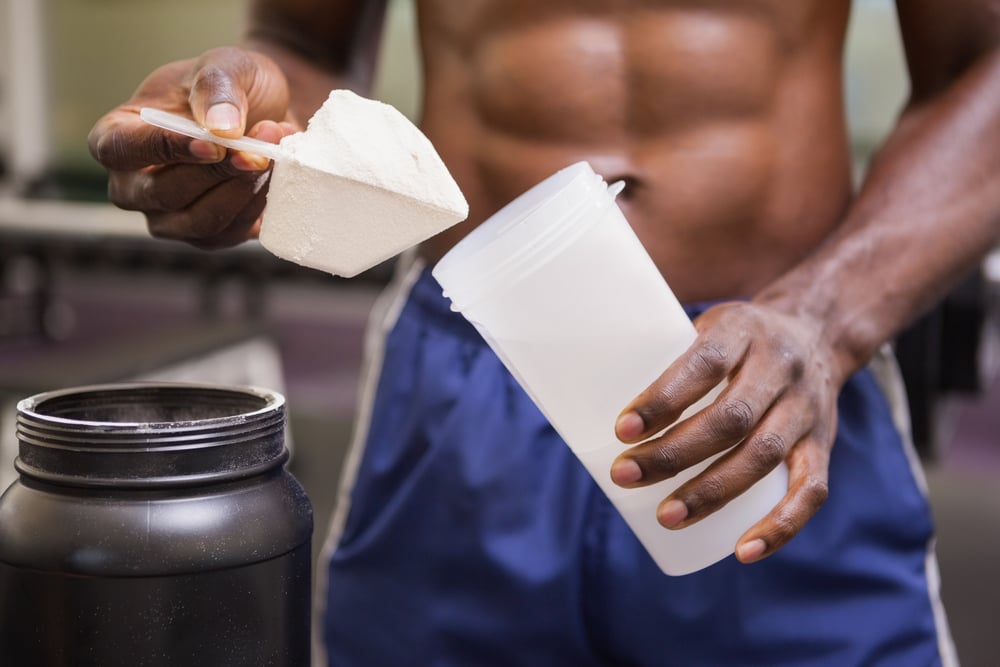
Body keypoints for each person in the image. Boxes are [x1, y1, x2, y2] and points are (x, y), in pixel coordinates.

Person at [88, 1, 1000, 664]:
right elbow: (298, 40)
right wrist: (240, 137)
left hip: (767, 379)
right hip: (472, 370)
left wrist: (827, 315)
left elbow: (984, 62)